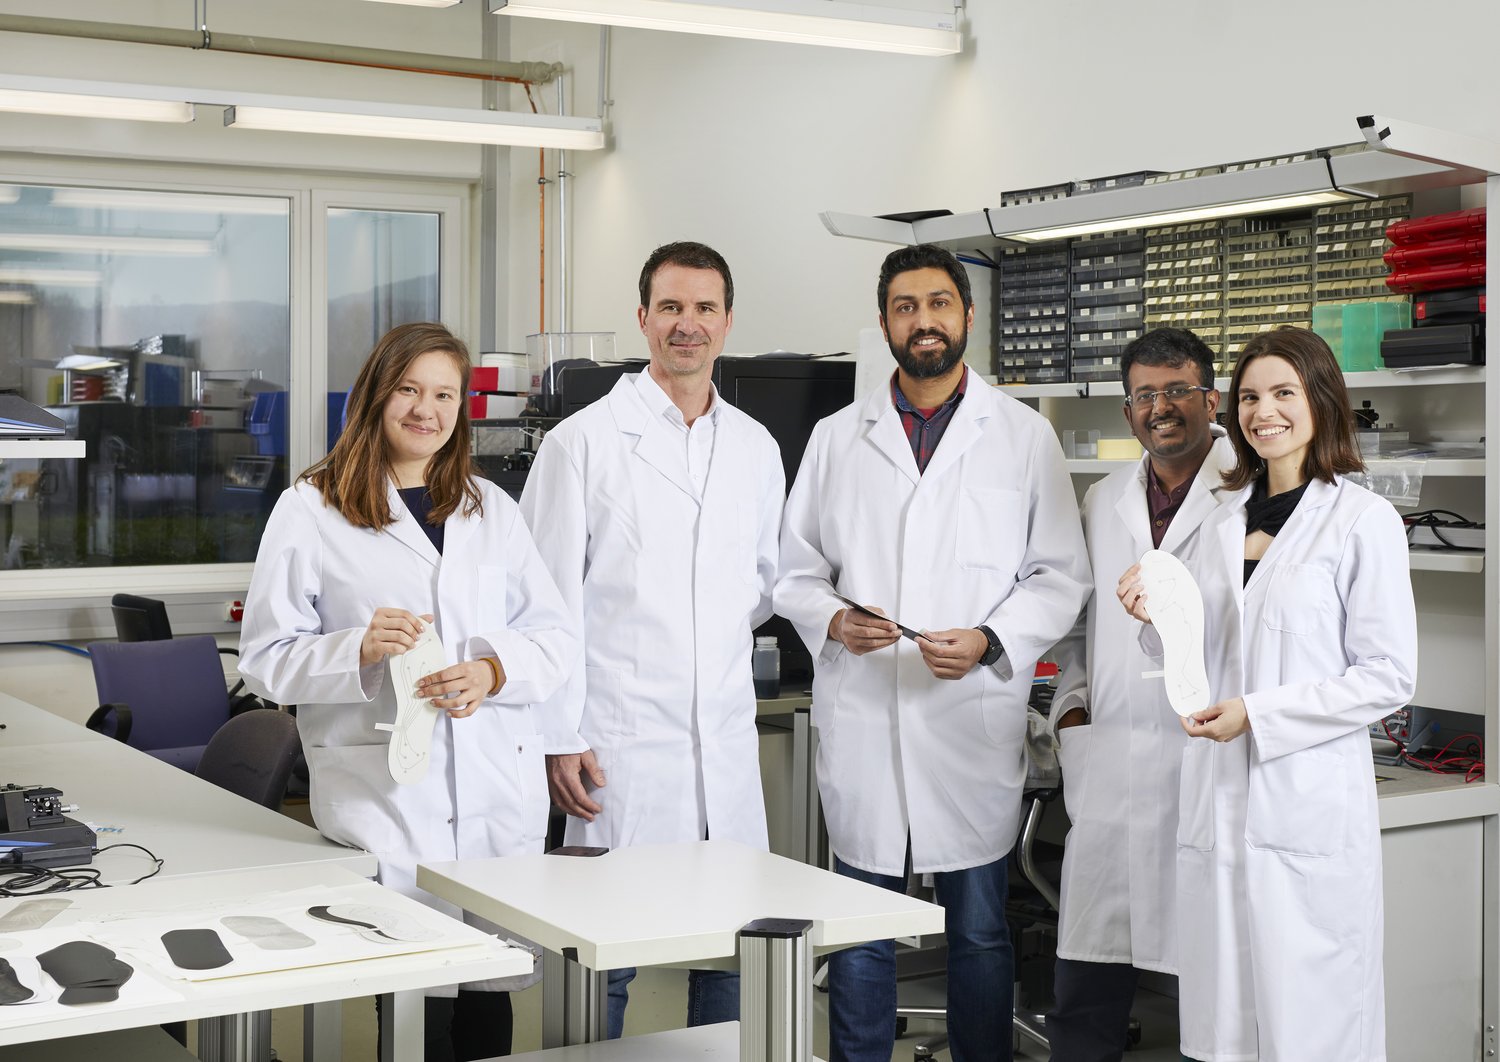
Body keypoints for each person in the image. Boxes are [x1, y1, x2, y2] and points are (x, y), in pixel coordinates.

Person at [775, 243, 1090, 1062]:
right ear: (884, 323)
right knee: (860, 930)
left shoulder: (1022, 437)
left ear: (966, 317)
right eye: (906, 306)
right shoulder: (836, 439)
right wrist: (836, 624)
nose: (924, 321)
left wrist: (992, 640)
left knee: (981, 932)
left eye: (939, 304)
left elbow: (1060, 575)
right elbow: (795, 572)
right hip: (868, 715)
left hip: (966, 717)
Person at [239, 322, 576, 1062]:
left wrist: (492, 671)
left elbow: (556, 637)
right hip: (389, 799)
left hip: (494, 793)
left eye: (445, 394)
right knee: (416, 1007)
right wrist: (355, 648)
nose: (427, 409)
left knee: (491, 997)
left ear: (462, 407)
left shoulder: (491, 509)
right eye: (410, 390)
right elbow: (264, 660)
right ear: (376, 396)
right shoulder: (312, 507)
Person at [1118, 325, 1417, 1061]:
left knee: (1312, 1029)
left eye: (1284, 392)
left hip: (1305, 805)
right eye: (1250, 396)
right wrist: (1156, 620)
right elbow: (1200, 650)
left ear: (1320, 400)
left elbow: (1387, 675)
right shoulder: (1219, 515)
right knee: (1224, 1032)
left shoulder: (1361, 521)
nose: (1264, 412)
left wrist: (1260, 715)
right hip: (1217, 801)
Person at [518, 241, 784, 1037]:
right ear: (643, 320)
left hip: (723, 745)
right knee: (609, 953)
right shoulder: (583, 445)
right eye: (671, 307)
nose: (687, 325)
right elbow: (541, 605)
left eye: (704, 308)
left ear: (728, 323)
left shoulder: (756, 447)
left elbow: (762, 586)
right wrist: (558, 736)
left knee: (734, 949)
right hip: (616, 742)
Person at [1047, 328, 1235, 1061]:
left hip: (1207, 761)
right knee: (1087, 978)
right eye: (1146, 395)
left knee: (1213, 988)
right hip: (1113, 760)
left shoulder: (1248, 491)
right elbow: (1077, 623)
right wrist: (1074, 707)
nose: (1162, 408)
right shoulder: (1103, 499)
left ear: (1211, 400)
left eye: (1179, 391)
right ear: (1128, 413)